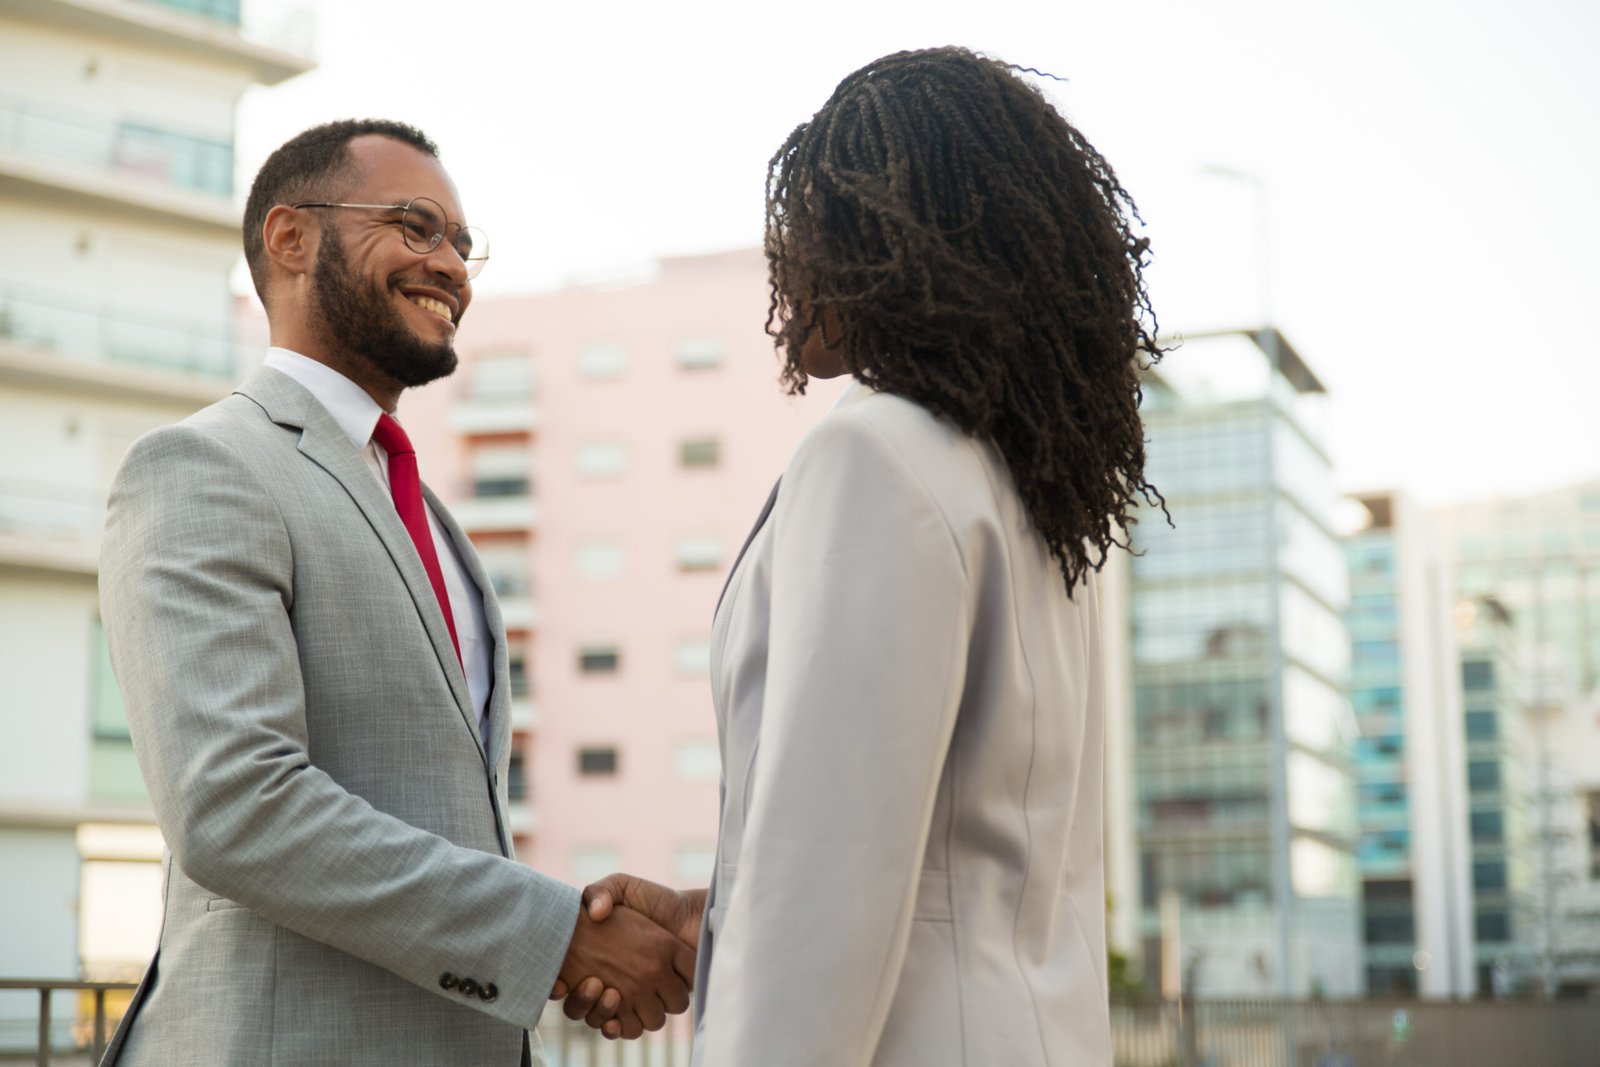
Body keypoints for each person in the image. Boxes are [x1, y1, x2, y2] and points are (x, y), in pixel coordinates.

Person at [573, 46, 1163, 1064]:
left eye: (811, 215)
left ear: (892, 235)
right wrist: (713, 917)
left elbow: (830, 889)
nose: (782, 253)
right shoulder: (1020, 484)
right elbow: (957, 860)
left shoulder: (875, 452)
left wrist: (768, 917)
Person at [97, 119, 693, 1067]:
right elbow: (236, 804)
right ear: (290, 238)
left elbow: (439, 813)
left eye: (463, 243)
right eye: (417, 226)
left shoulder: (438, 523)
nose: (452, 265)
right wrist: (557, 932)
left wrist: (573, 933)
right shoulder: (201, 466)